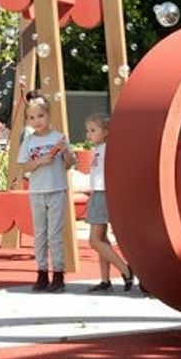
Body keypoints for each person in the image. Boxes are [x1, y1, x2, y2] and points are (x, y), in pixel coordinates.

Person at [13, 93, 71, 291]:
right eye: (31, 117)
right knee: (40, 234)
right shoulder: (29, 141)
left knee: (55, 235)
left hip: (57, 190)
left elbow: (69, 164)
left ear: (48, 115)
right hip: (37, 192)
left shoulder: (59, 137)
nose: (36, 121)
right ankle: (42, 272)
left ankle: (59, 275)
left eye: (40, 116)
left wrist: (66, 152)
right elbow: (23, 166)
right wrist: (40, 161)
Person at [81, 112, 134, 293]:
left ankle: (125, 270)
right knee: (102, 239)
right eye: (87, 130)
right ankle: (105, 280)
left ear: (106, 132)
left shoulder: (108, 149)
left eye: (93, 130)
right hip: (97, 193)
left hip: (103, 194)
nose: (88, 134)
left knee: (94, 240)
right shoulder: (98, 149)